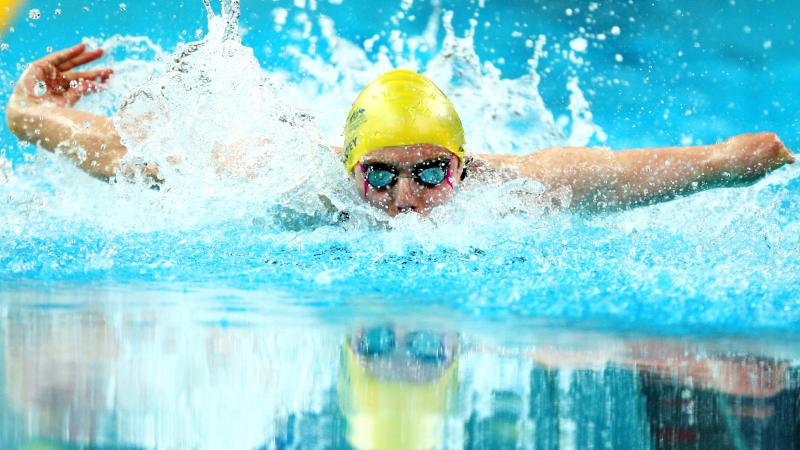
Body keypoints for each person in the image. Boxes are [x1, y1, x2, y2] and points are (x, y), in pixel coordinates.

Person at [5, 44, 796, 217]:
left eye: (432, 174)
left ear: (465, 164)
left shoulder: (526, 182)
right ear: (347, 165)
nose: (407, 198)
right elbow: (138, 159)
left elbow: (707, 161)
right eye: (379, 176)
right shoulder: (284, 179)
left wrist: (766, 160)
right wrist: (27, 114)